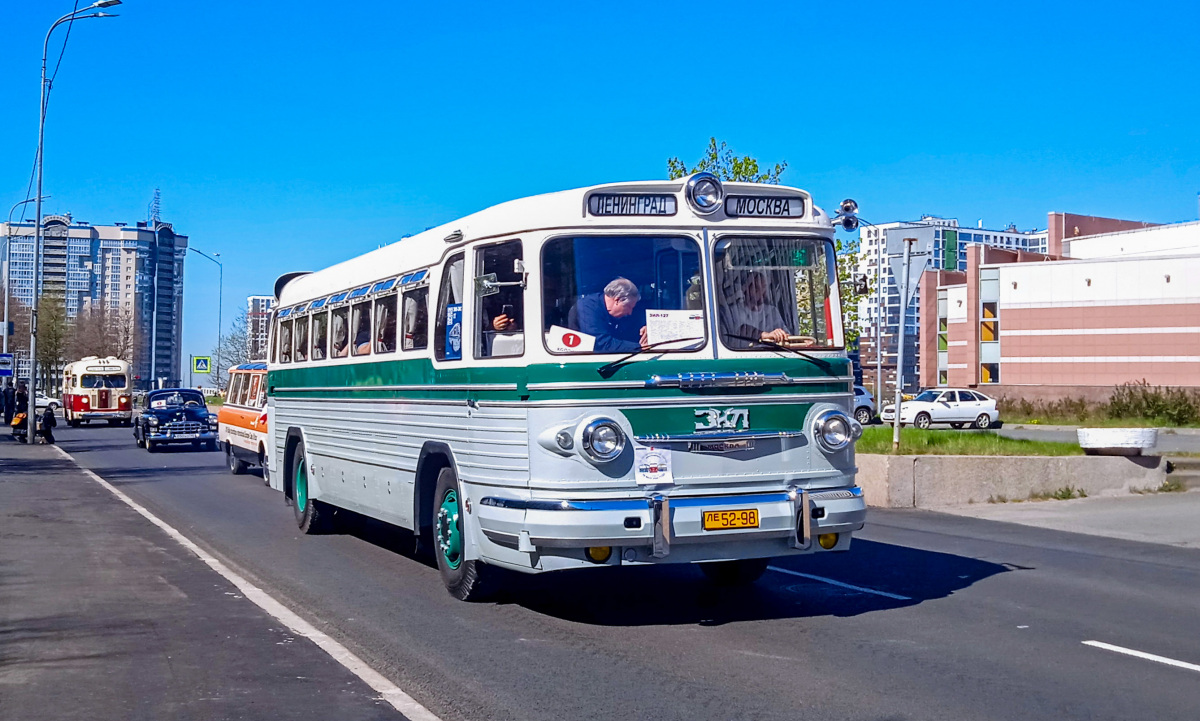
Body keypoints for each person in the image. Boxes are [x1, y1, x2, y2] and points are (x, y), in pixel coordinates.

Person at [570, 277, 650, 353]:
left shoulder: (621, 314)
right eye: (629, 307)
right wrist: (638, 347)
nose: (630, 313)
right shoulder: (586, 307)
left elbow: (632, 329)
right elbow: (600, 343)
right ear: (618, 300)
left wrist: (648, 329)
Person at [721, 271, 792, 347]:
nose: (761, 292)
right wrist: (765, 335)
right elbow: (742, 330)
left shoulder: (772, 312)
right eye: (756, 288)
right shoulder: (733, 312)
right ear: (745, 289)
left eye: (764, 287)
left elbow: (787, 337)